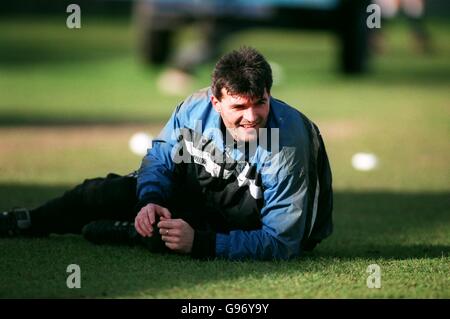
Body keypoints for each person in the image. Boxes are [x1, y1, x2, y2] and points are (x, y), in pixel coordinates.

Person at [0, 47, 333, 260]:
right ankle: (26, 220)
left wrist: (202, 244)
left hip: (254, 219)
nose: (252, 116)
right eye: (239, 106)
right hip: (210, 196)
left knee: (173, 238)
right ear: (215, 102)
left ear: (269, 94)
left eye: (260, 102)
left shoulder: (286, 146)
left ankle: (129, 232)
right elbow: (160, 156)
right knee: (99, 192)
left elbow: (283, 243)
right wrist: (150, 200)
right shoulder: (194, 108)